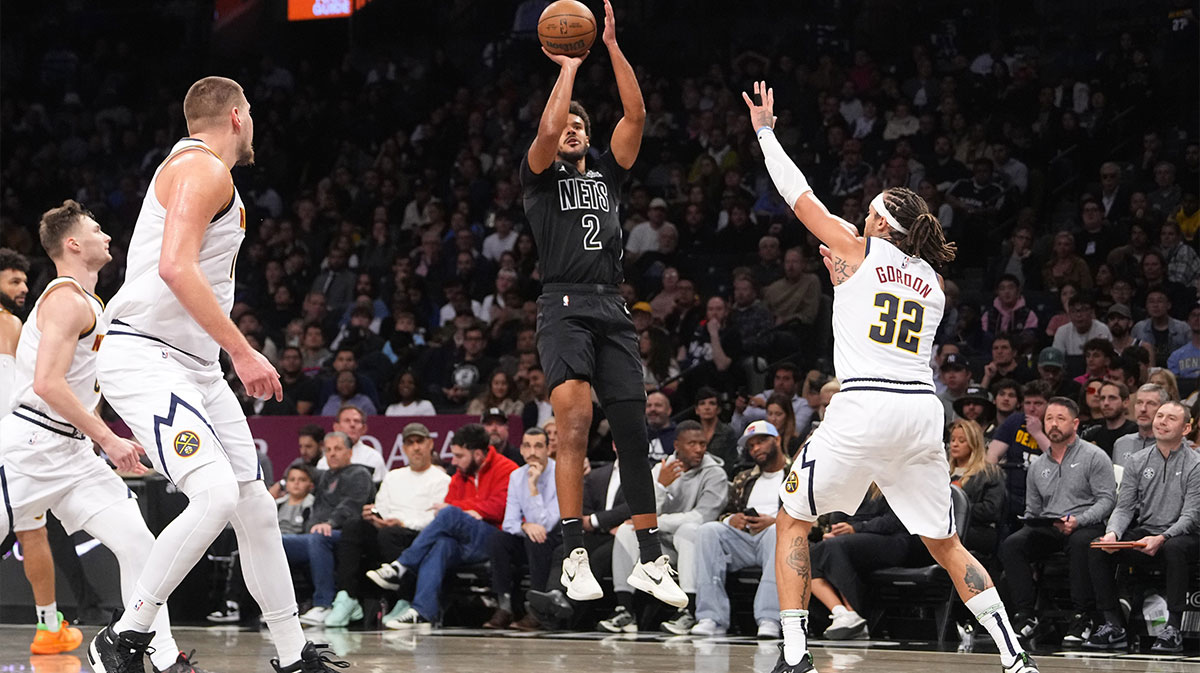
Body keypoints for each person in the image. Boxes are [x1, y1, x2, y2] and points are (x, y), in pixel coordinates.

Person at [745, 81, 1038, 673]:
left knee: (792, 517)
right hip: (921, 412)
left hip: (866, 406)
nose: (861, 217)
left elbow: (799, 197)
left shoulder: (858, 248)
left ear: (881, 221)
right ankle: (1014, 655)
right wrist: (843, 288)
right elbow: (877, 308)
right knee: (946, 543)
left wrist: (766, 133)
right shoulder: (933, 281)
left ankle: (795, 655)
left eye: (869, 212)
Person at [92, 77, 341, 673]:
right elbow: (175, 267)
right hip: (147, 356)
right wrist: (243, 352)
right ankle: (124, 637)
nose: (252, 123)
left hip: (193, 366)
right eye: (249, 113)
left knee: (255, 506)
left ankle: (293, 654)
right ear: (235, 116)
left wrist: (220, 356)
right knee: (216, 494)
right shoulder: (203, 168)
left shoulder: (201, 171)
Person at [519, 0, 685, 611]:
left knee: (634, 435)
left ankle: (650, 559)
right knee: (574, 427)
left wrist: (611, 49)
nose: (571, 130)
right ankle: (573, 557)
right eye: (567, 124)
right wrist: (567, 67)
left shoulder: (608, 176)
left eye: (580, 126)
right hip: (562, 306)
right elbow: (545, 132)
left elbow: (635, 113)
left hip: (612, 307)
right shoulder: (540, 176)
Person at [0, 201, 206, 672]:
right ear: (73, 244)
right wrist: (109, 440)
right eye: (96, 229)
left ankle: (162, 657)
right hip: (29, 446)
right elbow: (47, 385)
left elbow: (82, 390)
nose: (107, 236)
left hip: (73, 453)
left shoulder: (90, 302)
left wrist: (106, 437)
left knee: (140, 545)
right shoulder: (65, 300)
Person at [368, 424, 517, 628]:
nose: (453, 461)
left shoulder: (507, 469)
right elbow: (448, 507)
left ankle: (401, 565)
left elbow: (500, 507)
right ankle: (422, 612)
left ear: (478, 455)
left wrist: (464, 510)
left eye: (459, 456)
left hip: (494, 539)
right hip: (465, 542)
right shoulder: (460, 475)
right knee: (442, 544)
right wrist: (469, 511)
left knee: (449, 513)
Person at [996, 397, 1115, 646]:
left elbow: (1107, 500)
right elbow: (1033, 510)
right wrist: (1034, 522)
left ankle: (1082, 616)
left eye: (1060, 419)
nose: (1053, 424)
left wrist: (1079, 520)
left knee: (1081, 542)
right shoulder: (1038, 465)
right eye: (1049, 418)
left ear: (1075, 423)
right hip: (1050, 527)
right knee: (1013, 544)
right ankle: (1026, 615)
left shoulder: (1095, 456)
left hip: (1086, 523)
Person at [1086, 402, 1199, 654]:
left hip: (1187, 535)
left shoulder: (1196, 464)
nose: (1162, 421)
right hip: (1148, 530)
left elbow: (1191, 516)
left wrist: (1162, 537)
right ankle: (1113, 624)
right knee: (1098, 548)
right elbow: (1124, 507)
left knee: (1175, 548)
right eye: (1160, 416)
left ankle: (1173, 628)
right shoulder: (1137, 461)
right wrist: (1113, 533)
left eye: (1171, 418)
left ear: (1186, 428)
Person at [599, 421, 728, 633]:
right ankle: (625, 610)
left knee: (689, 530)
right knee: (626, 530)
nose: (699, 449)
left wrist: (658, 523)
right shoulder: (661, 469)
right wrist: (660, 486)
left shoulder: (715, 474)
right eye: (692, 444)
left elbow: (702, 517)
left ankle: (688, 611)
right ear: (677, 445)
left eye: (702, 444)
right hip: (661, 546)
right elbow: (647, 510)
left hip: (695, 547)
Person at [325, 422, 450, 628]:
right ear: (404, 448)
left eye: (420, 442)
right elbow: (382, 506)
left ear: (430, 444)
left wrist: (403, 523)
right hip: (387, 528)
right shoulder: (393, 476)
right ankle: (347, 596)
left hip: (417, 534)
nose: (416, 447)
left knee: (390, 534)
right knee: (354, 525)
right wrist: (376, 517)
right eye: (410, 443)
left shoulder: (442, 480)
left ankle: (406, 599)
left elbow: (437, 519)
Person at [674, 421, 788, 638]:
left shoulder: (796, 473)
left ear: (777, 440)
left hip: (780, 539)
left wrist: (777, 522)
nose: (756, 449)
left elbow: (817, 518)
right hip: (745, 540)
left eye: (761, 442)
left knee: (776, 533)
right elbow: (724, 512)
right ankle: (711, 618)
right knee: (708, 530)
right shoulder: (744, 478)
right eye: (751, 446)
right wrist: (731, 520)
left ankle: (769, 619)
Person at [283, 432, 373, 625]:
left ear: (350, 452)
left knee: (318, 536)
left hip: (346, 536)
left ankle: (324, 604)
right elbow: (298, 471)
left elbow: (350, 506)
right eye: (328, 450)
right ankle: (277, 608)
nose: (332, 454)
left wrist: (330, 523)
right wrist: (278, 486)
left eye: (338, 449)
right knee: (275, 543)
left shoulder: (359, 474)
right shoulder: (325, 476)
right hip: (314, 534)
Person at [484, 427, 560, 630]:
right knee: (499, 539)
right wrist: (525, 526)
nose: (532, 452)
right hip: (530, 537)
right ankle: (504, 605)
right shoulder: (517, 476)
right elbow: (509, 523)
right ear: (521, 450)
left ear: (548, 449)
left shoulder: (560, 474)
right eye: (527, 446)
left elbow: (548, 524)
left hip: (556, 540)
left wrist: (533, 487)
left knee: (537, 539)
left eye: (538, 446)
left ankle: (537, 609)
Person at [946, 420, 1004, 556]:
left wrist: (961, 504)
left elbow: (991, 510)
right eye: (953, 440)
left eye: (961, 441)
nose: (955, 444)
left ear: (973, 443)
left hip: (978, 530)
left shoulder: (989, 473)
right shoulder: (943, 473)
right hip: (945, 527)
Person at [315, 405, 387, 482]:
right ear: (336, 427)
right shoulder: (324, 462)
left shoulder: (373, 457)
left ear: (364, 428)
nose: (352, 425)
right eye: (347, 421)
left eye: (356, 421)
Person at [0, 247, 29, 413]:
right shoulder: (8, 321)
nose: (24, 288)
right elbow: (4, 376)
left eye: (24, 282)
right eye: (15, 282)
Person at [1112, 383, 1168, 467]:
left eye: (1151, 403)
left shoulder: (1172, 445)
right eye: (1139, 402)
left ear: (1163, 408)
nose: (1143, 409)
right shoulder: (1121, 444)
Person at [1079, 381, 1137, 455]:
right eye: (1102, 398)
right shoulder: (1092, 434)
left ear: (1125, 402)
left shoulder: (1135, 432)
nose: (1106, 403)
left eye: (1112, 398)